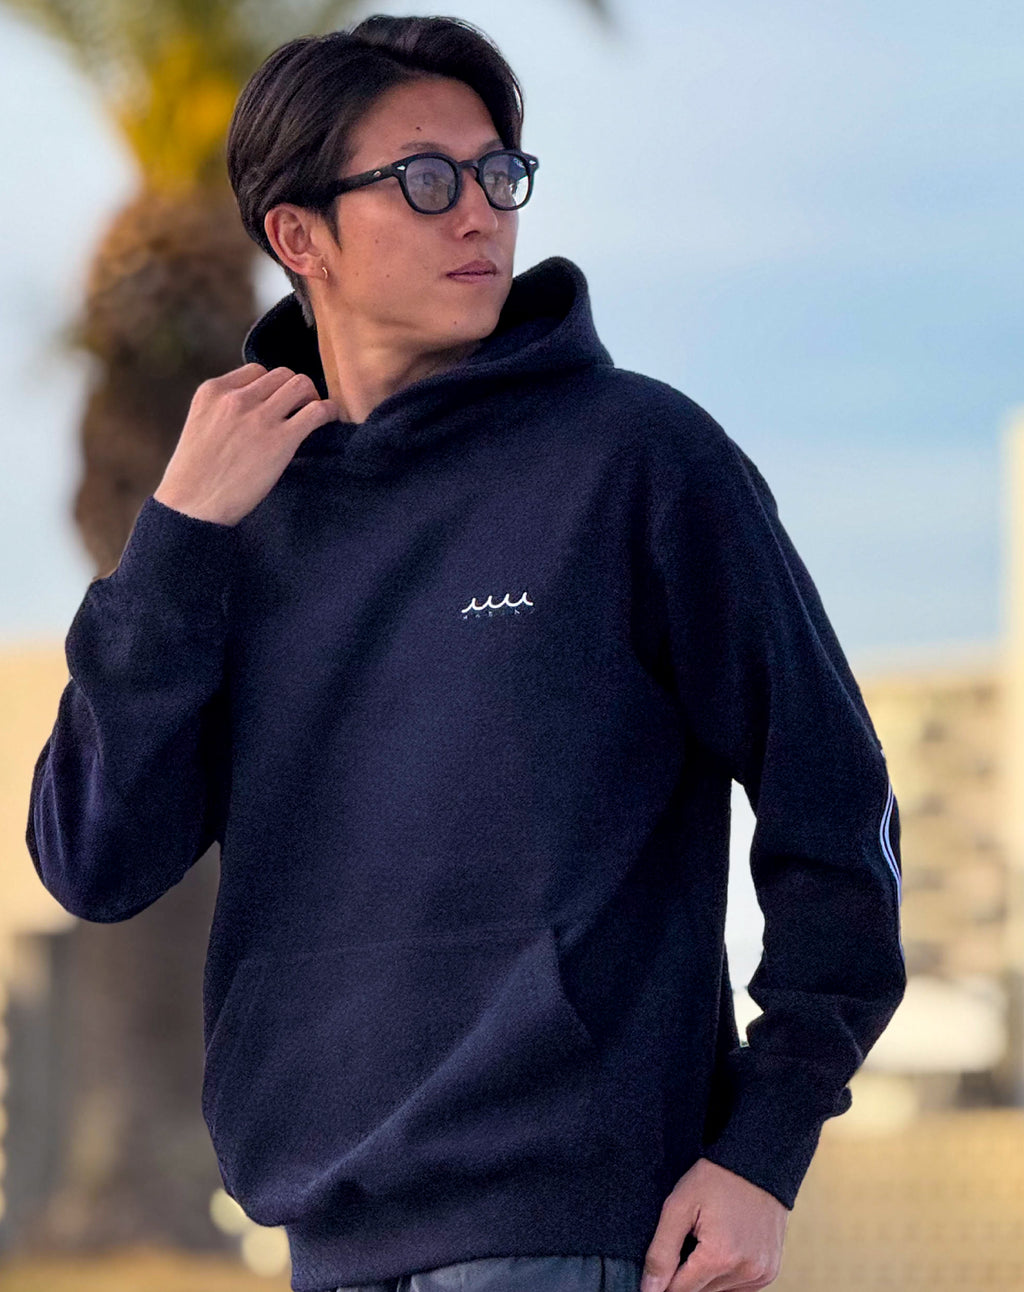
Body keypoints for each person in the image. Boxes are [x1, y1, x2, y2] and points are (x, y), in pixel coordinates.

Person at [25, 14, 907, 1292]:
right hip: (322, 1239)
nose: (481, 212)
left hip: (583, 1228)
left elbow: (836, 805)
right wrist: (175, 539)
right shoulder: (235, 518)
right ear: (299, 236)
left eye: (498, 172)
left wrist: (763, 1146)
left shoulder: (637, 460)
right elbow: (94, 859)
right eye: (426, 180)